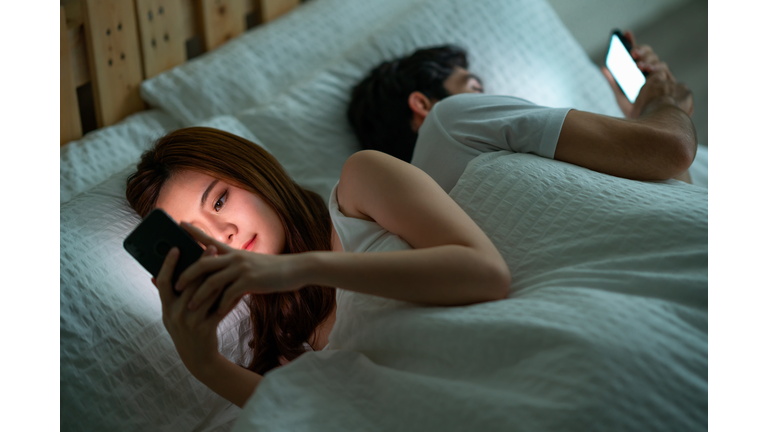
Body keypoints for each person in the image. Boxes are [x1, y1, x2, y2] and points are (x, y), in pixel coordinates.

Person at [125, 127, 511, 408]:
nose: (222, 234)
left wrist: (303, 268)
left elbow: (486, 274)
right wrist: (204, 364)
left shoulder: (361, 184)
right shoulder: (284, 351)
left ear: (254, 173)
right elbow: (324, 419)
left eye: (220, 201)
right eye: (195, 236)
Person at [347, 30, 698, 193]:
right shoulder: (449, 117)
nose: (488, 100)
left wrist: (641, 118)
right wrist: (664, 102)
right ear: (423, 104)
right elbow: (673, 148)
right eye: (474, 89)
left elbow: (674, 196)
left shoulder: (416, 205)